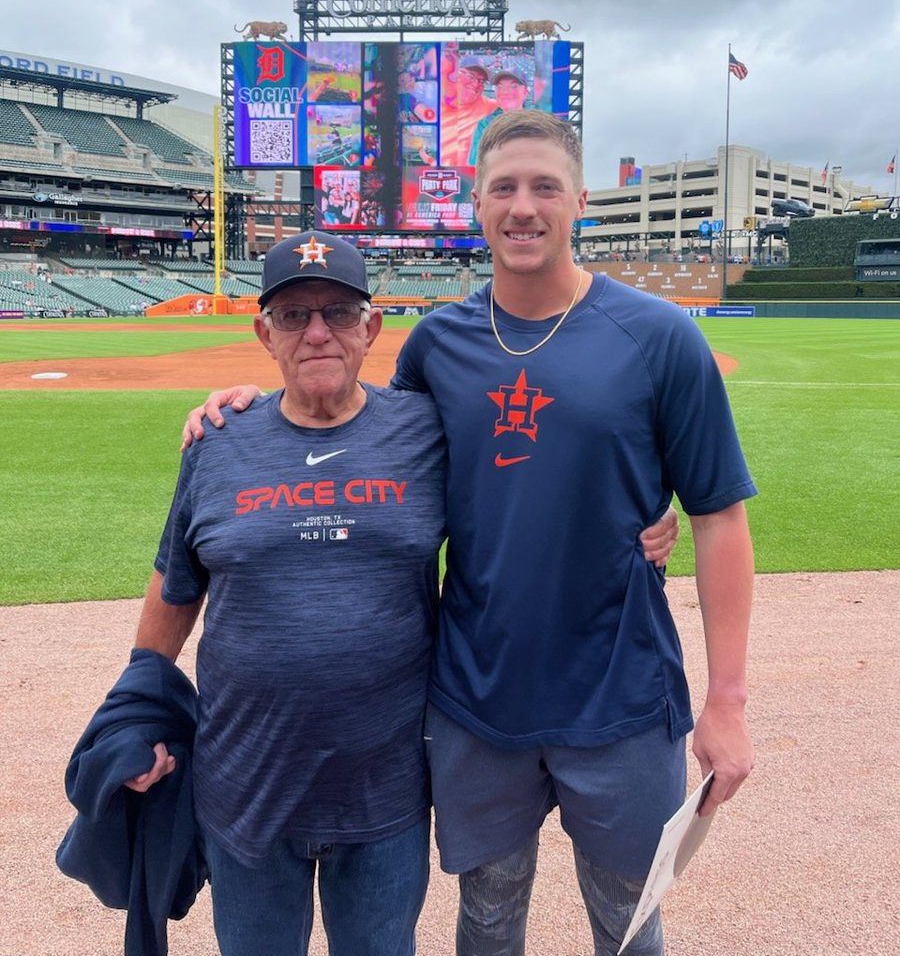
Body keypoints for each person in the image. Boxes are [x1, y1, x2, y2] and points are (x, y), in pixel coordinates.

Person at [184, 110, 740, 956]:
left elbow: (720, 516)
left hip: (622, 690)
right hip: (477, 694)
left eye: (544, 186)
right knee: (485, 918)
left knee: (630, 922)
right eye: (504, 188)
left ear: (579, 201)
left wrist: (728, 702)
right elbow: (357, 426)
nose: (524, 206)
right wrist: (247, 412)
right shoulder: (438, 343)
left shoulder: (659, 337)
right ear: (475, 207)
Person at [126, 233, 450, 956]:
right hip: (245, 788)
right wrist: (136, 713)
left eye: (338, 312)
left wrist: (642, 515)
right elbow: (175, 589)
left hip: (386, 793)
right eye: (294, 314)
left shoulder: (427, 432)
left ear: (372, 327)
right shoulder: (217, 439)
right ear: (263, 331)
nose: (316, 332)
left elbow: (526, 498)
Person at [466, 69, 530, 165]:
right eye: (500, 87)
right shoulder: (485, 124)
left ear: (525, 92)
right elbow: (475, 163)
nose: (506, 92)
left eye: (514, 86)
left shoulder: (538, 123)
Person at [439, 60, 497, 166]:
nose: (476, 84)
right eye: (470, 76)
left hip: (474, 177)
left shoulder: (492, 106)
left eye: (481, 81)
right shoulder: (432, 103)